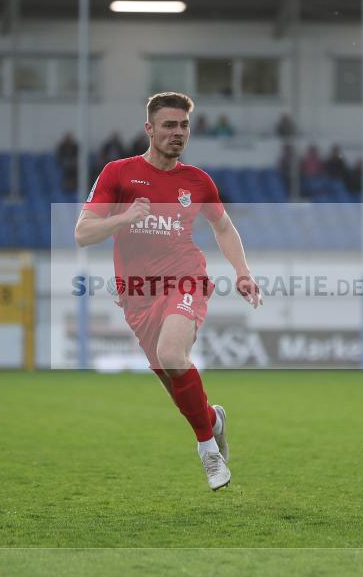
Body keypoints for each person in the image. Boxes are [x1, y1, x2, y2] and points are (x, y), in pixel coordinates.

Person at [75, 92, 261, 490]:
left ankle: (208, 451)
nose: (178, 133)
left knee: (172, 354)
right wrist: (125, 216)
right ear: (149, 129)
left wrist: (242, 271)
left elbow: (223, 226)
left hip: (185, 278)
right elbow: (83, 233)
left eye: (184, 126)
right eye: (169, 125)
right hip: (137, 295)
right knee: (177, 387)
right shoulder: (118, 173)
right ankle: (212, 421)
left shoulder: (197, 181)